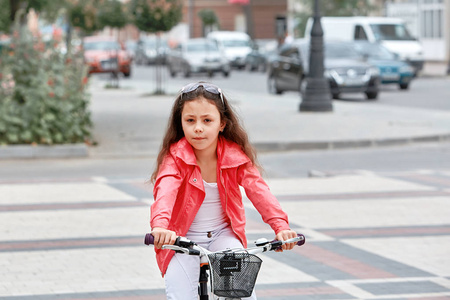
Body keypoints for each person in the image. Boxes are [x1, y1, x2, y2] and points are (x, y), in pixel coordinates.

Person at [150, 81, 298, 300]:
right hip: (181, 239)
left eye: (207, 120)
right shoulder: (174, 159)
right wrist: (161, 227)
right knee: (181, 294)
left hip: (223, 235)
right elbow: (165, 192)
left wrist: (281, 226)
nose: (198, 128)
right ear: (181, 124)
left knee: (244, 293)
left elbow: (259, 190)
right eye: (190, 120)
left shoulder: (234, 157)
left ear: (222, 124)